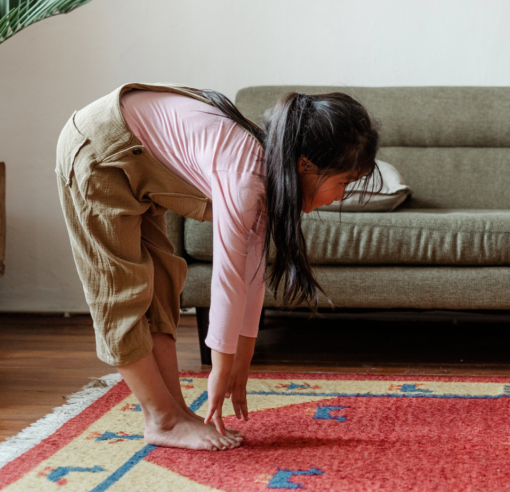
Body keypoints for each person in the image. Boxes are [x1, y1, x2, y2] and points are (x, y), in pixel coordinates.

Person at [56, 84, 380, 450]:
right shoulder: (245, 177)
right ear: (306, 164)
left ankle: (175, 412)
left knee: (160, 284)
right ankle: (162, 419)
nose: (340, 197)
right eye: (343, 183)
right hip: (99, 150)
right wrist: (220, 368)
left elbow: (251, 274)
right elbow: (227, 278)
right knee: (122, 293)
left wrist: (243, 358)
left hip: (134, 156)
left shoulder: (267, 175)